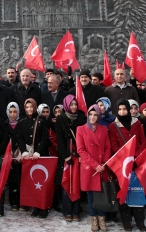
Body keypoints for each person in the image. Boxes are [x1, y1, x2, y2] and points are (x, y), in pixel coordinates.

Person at [108, 99, 146, 231]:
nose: (122, 112)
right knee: (124, 192)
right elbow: (114, 146)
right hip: (123, 165)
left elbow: (143, 141)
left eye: (124, 109)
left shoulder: (137, 123)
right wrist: (127, 158)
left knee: (137, 191)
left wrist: (136, 156)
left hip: (137, 163)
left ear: (129, 109)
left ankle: (140, 221)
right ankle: (126, 221)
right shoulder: (113, 126)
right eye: (119, 109)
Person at [77, 104, 111, 231]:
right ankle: (94, 218)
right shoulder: (81, 129)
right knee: (91, 194)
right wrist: (95, 164)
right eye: (90, 114)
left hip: (102, 166)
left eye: (95, 114)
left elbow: (108, 147)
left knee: (101, 193)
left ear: (99, 115)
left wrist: (104, 163)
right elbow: (81, 150)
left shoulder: (103, 129)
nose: (92, 117)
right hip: (89, 167)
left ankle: (102, 218)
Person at [55, 94, 87, 222]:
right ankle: (67, 210)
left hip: (79, 156)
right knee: (67, 182)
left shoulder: (82, 118)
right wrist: (66, 156)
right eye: (71, 104)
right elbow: (60, 140)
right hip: (66, 156)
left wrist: (81, 155)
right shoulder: (60, 119)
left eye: (75, 104)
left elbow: (84, 137)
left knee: (77, 183)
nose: (74, 107)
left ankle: (76, 210)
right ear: (66, 105)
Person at [16, 98, 49, 218]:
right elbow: (19, 138)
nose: (29, 109)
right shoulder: (22, 121)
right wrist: (24, 152)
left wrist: (38, 152)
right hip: (28, 156)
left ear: (35, 107)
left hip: (40, 156)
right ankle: (35, 206)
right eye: (27, 107)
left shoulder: (41, 120)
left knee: (42, 182)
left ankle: (43, 207)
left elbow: (45, 138)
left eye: (31, 107)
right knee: (33, 182)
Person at [5, 102, 22, 211]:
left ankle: (22, 202)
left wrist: (20, 151)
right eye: (10, 112)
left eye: (15, 112)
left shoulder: (22, 123)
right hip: (9, 155)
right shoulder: (4, 124)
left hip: (20, 155)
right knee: (12, 181)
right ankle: (14, 203)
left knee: (21, 180)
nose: (12, 114)